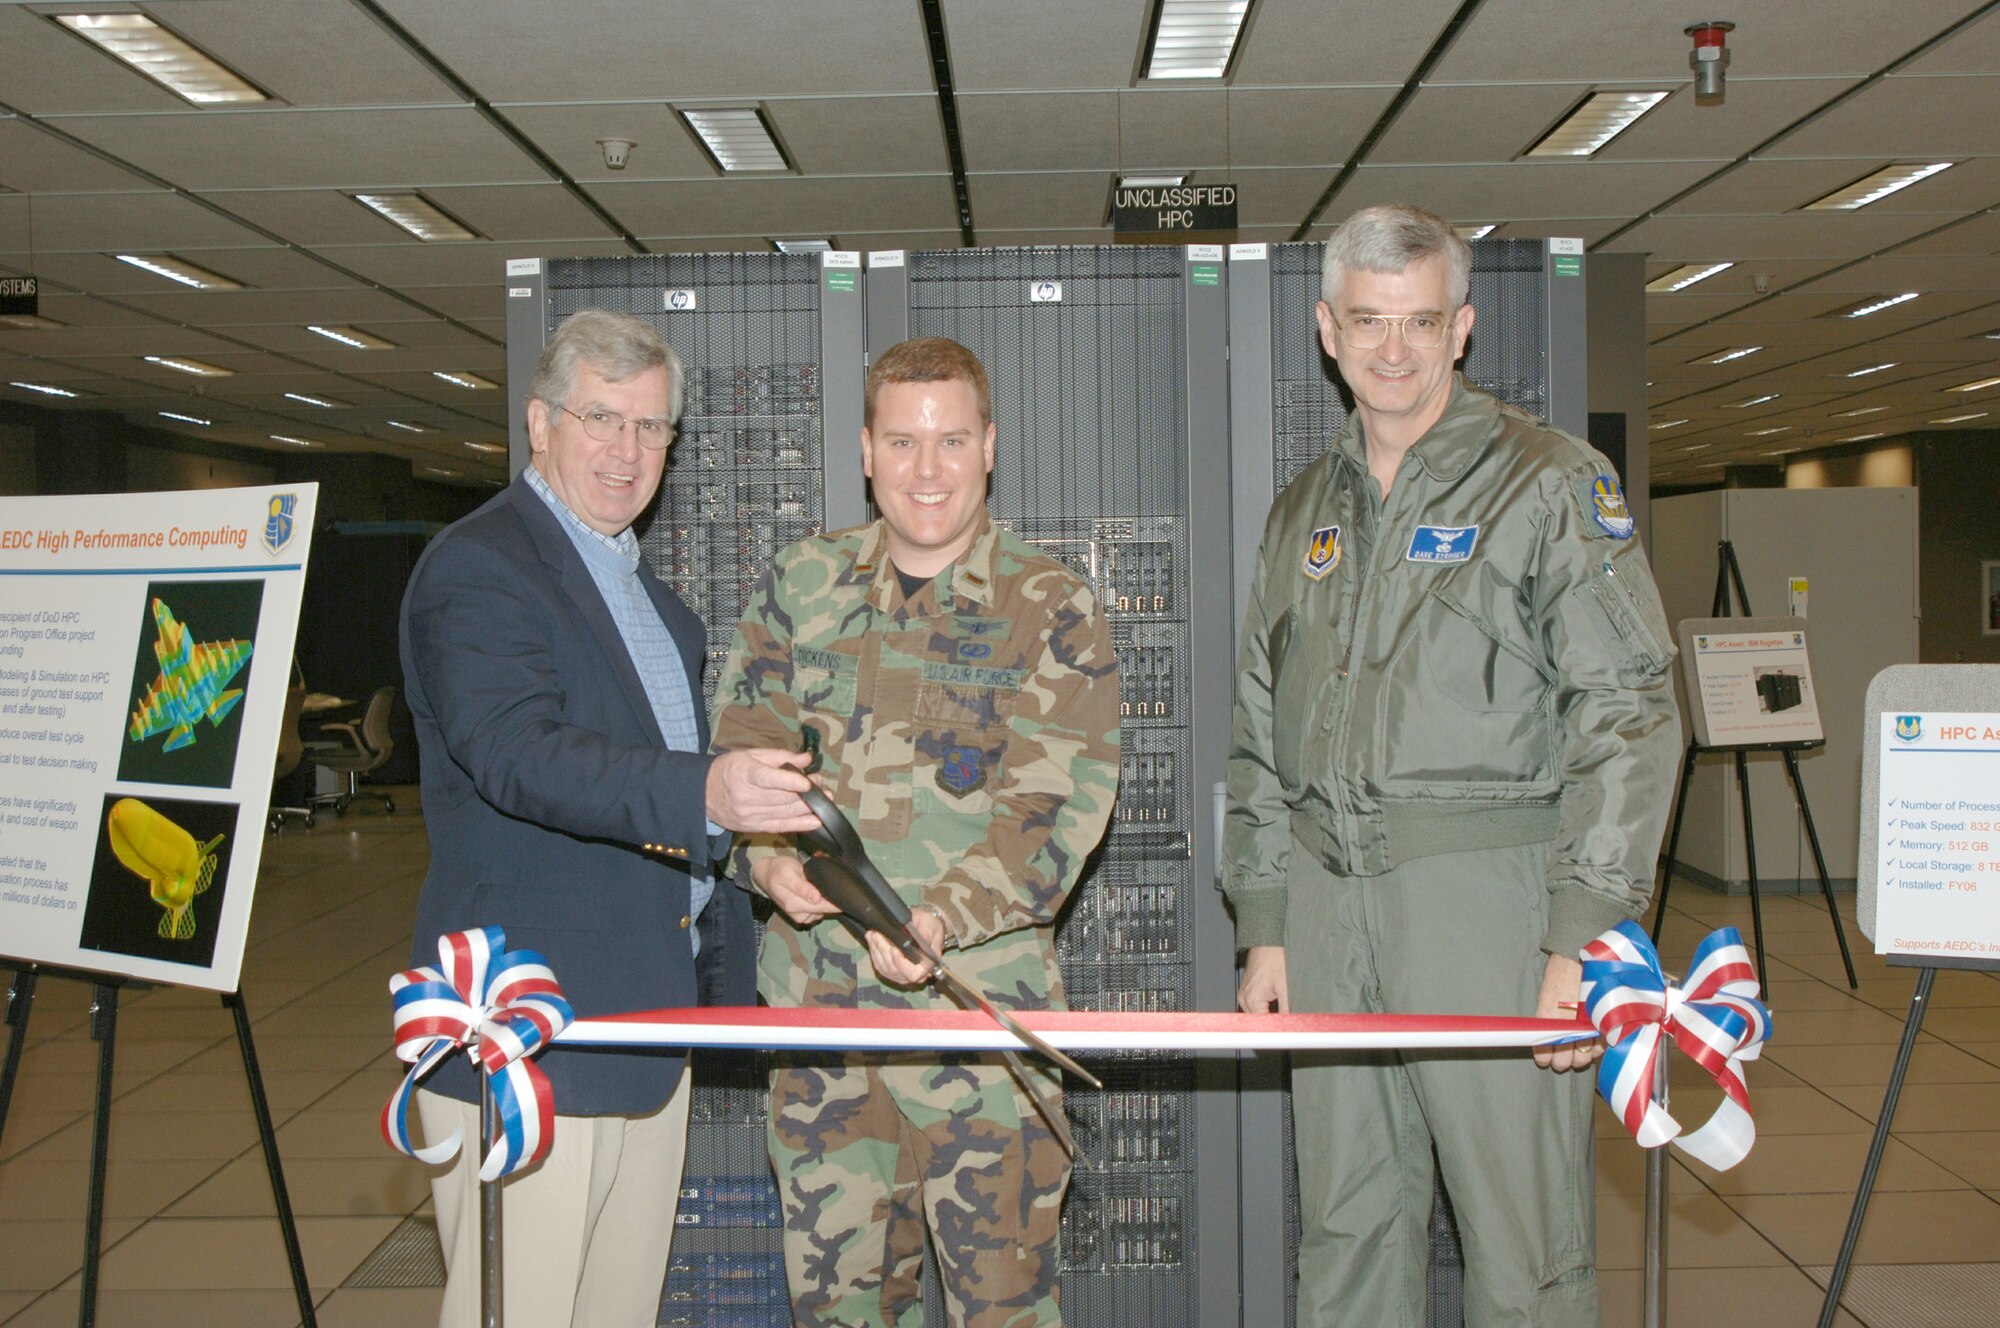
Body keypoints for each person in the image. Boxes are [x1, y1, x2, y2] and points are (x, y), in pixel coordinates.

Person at [1223, 205, 1680, 1327]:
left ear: (1461, 326)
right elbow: (1254, 729)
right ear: (1325, 328)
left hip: (1489, 906)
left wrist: (1585, 935)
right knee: (1346, 1227)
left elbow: (1628, 710)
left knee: (1521, 1244)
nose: (1393, 348)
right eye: (1368, 321)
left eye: (1418, 321)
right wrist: (1267, 921)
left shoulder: (1547, 484)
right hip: (1328, 911)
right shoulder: (1299, 513)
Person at [401, 308, 818, 1328]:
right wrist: (706, 793)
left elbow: (661, 812)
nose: (628, 451)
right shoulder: (479, 567)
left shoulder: (660, 610)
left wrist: (746, 859)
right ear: (540, 424)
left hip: (641, 1026)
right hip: (527, 1033)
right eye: (603, 418)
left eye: (652, 427)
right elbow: (516, 754)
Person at [711, 336, 1121, 1327]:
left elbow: (1054, 814)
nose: (925, 469)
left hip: (975, 1025)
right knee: (838, 1310)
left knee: (1003, 1308)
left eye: (948, 440)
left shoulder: (1049, 603)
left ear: (990, 445)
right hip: (823, 1034)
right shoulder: (796, 586)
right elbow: (738, 769)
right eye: (901, 441)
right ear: (864, 449)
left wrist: (936, 918)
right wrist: (766, 863)